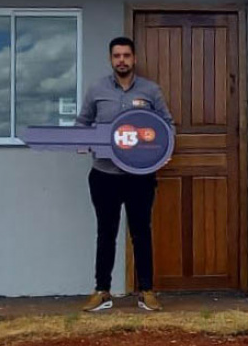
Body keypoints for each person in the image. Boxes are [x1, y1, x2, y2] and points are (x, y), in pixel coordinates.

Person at [75, 36, 174, 312]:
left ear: (134, 59)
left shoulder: (151, 91)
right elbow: (82, 122)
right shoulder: (97, 90)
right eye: (116, 56)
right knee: (106, 233)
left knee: (141, 232)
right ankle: (102, 291)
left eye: (126, 55)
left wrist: (163, 152)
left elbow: (167, 125)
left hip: (139, 176)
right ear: (111, 59)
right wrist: (83, 142)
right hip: (104, 175)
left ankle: (147, 291)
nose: (122, 60)